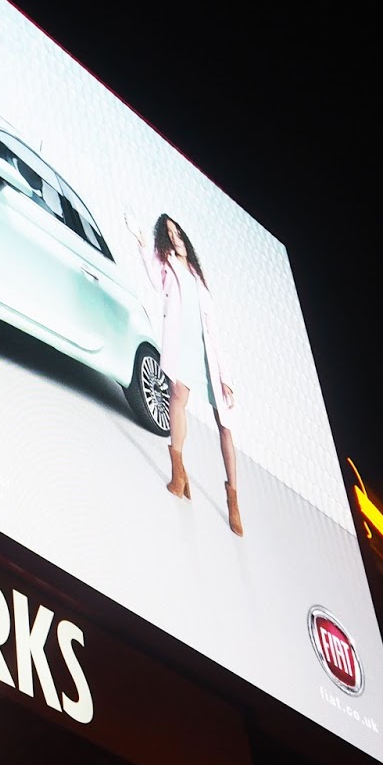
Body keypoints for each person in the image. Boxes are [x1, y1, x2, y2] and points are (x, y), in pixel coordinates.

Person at [125, 212, 243, 536]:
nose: (176, 239)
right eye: (170, 234)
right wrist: (142, 242)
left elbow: (213, 328)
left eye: (178, 233)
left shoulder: (197, 276)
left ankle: (233, 499)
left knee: (225, 427)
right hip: (182, 347)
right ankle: (178, 473)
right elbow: (153, 279)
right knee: (177, 399)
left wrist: (225, 376)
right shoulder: (168, 266)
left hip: (207, 356)